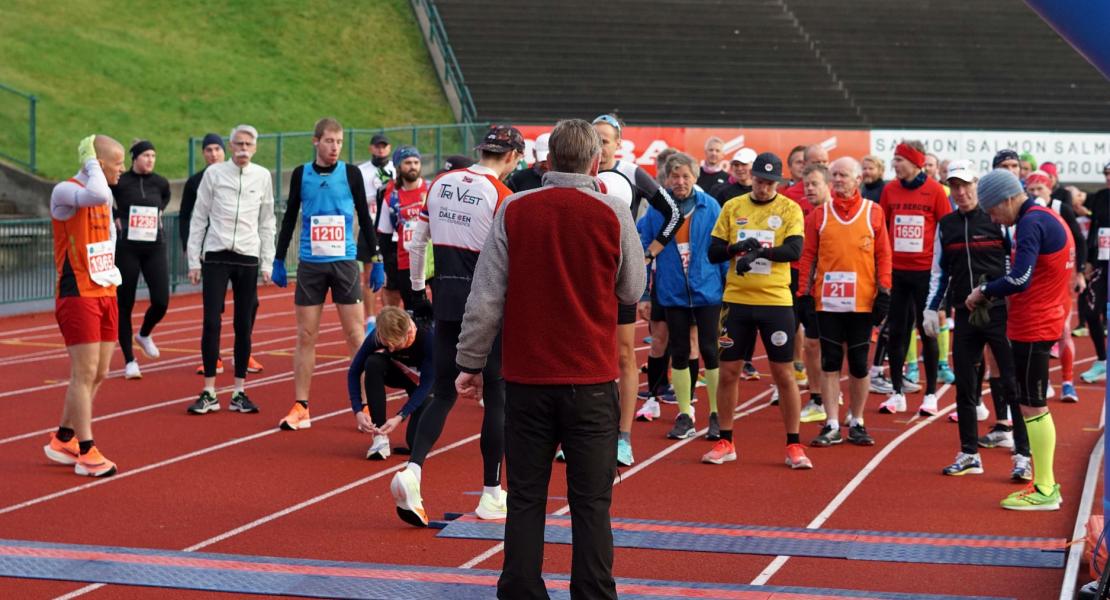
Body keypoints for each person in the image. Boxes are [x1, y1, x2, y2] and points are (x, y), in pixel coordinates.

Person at [454, 118, 645, 599]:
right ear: (595, 161)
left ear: (547, 160)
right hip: (591, 381)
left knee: (525, 497)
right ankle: (594, 593)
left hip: (527, 380)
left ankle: (520, 590)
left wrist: (471, 362)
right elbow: (633, 288)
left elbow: (485, 298)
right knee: (591, 502)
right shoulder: (613, 211)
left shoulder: (516, 210)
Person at [390, 125, 522, 526]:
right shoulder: (503, 196)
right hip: (487, 304)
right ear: (513, 158)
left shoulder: (440, 183)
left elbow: (417, 243)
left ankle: (412, 470)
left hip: (444, 299)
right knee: (497, 396)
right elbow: (508, 259)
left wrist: (415, 293)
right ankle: (492, 493)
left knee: (443, 391)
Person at [966, 169, 1073, 510]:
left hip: (1036, 322)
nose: (994, 218)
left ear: (1008, 198)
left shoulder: (1031, 222)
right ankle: (1043, 483)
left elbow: (1021, 278)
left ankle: (1044, 488)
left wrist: (984, 291)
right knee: (1031, 402)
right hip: (1039, 318)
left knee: (1033, 403)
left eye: (994, 210)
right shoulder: (1040, 218)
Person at [703, 152, 811, 469]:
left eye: (769, 182)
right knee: (729, 372)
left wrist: (760, 251)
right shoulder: (733, 207)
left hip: (776, 303)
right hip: (735, 303)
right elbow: (712, 252)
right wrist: (735, 249)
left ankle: (794, 445)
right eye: (759, 181)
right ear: (751, 178)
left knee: (783, 374)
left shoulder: (789, 209)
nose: (763, 187)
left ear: (777, 181)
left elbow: (794, 250)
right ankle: (726, 439)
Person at [272, 117, 378, 431]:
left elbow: (364, 215)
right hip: (310, 264)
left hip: (344, 262)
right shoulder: (300, 174)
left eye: (339, 142)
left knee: (355, 335)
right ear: (316, 141)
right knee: (305, 336)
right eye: (329, 141)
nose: (334, 148)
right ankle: (301, 406)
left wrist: (376, 258)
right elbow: (290, 216)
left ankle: (365, 406)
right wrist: (279, 258)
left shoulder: (351, 173)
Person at [924, 161, 1026, 479]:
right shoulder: (946, 225)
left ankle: (1023, 454)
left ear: (977, 185)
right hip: (964, 315)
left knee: (1013, 383)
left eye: (967, 185)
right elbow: (939, 273)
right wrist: (931, 307)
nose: (962, 192)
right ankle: (969, 453)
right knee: (965, 386)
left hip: (999, 313)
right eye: (955, 186)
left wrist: (1008, 302)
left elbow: (1016, 265)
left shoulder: (999, 220)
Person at [592, 113, 682, 467]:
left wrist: (649, 253)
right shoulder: (579, 171)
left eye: (605, 139)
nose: (599, 145)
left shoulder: (630, 173)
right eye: (594, 138)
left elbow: (673, 212)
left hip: (619, 276)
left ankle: (623, 438)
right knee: (586, 356)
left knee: (624, 356)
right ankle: (583, 434)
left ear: (617, 144)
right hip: (584, 277)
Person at [44, 134, 126, 477]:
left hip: (105, 290)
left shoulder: (105, 195)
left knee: (102, 372)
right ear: (99, 163)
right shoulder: (65, 191)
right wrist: (91, 161)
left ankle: (63, 437)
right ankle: (86, 451)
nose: (122, 170)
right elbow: (96, 193)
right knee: (84, 372)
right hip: (77, 293)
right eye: (117, 163)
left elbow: (107, 232)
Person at [797, 157, 892, 448]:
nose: (838, 180)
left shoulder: (873, 213)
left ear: (857, 179)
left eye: (843, 175)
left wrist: (884, 292)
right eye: (834, 175)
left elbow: (884, 256)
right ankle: (831, 423)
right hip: (828, 303)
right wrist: (803, 294)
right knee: (830, 362)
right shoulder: (819, 215)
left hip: (862, 302)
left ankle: (858, 420)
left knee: (860, 364)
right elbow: (808, 257)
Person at [186, 124, 275, 415]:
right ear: (230, 144)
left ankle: (239, 390)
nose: (243, 149)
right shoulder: (214, 174)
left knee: (243, 325)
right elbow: (198, 216)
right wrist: (193, 260)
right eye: (238, 143)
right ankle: (209, 390)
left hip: (248, 257)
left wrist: (267, 261)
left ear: (256, 147)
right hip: (215, 255)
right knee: (211, 321)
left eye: (248, 144)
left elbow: (267, 220)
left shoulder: (262, 176)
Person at [640, 152, 725, 440]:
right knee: (678, 352)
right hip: (672, 292)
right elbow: (644, 250)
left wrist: (727, 289)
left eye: (686, 176)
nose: (680, 181)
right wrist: (643, 294)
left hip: (707, 291)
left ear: (695, 178)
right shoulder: (656, 211)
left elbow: (722, 249)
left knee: (710, 351)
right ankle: (685, 414)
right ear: (666, 179)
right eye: (675, 176)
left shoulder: (710, 207)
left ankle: (716, 413)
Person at [877, 141, 951, 416]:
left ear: (915, 162)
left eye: (899, 160)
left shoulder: (934, 190)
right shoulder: (889, 190)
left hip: (925, 273)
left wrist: (945, 270)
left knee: (927, 330)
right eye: (894, 159)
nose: (894, 164)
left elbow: (946, 229)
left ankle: (931, 393)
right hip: (897, 271)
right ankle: (897, 392)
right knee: (896, 332)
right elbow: (882, 228)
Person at [181, 134, 264, 376]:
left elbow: (263, 217)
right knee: (213, 312)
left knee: (250, 305)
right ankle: (213, 357)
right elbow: (190, 216)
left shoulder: (254, 176)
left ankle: (243, 353)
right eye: (209, 149)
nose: (213, 153)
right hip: (214, 251)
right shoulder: (198, 181)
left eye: (217, 149)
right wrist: (190, 249)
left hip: (244, 251)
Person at [110, 140, 171, 380]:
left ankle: (144, 334)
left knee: (161, 300)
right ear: (134, 158)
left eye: (153, 156)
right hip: (128, 248)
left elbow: (165, 198)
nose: (150, 160)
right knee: (124, 304)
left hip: (155, 246)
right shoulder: (121, 182)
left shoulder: (160, 182)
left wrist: (159, 213)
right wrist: (115, 216)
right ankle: (129, 360)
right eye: (145, 155)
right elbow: (104, 198)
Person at [1025, 170, 1086, 402]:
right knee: (1039, 333)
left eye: (1039, 189)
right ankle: (1045, 381)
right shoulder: (1026, 212)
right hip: (1038, 281)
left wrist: (1079, 272)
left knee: (1063, 330)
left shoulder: (1062, 208)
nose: (1035, 194)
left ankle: (1068, 383)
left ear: (1050, 189)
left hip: (1062, 279)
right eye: (1030, 190)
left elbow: (1079, 241)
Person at [349, 306, 432, 461]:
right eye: (386, 344)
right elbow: (354, 371)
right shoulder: (377, 336)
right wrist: (358, 410)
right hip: (400, 373)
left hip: (425, 383)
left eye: (395, 344)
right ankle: (379, 436)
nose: (391, 348)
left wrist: (401, 415)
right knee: (373, 363)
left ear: (406, 333)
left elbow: (426, 385)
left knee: (415, 444)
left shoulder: (427, 338)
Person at [796, 164, 834, 424]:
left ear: (827, 185)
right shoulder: (803, 213)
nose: (809, 188)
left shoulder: (840, 213)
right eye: (806, 184)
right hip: (807, 286)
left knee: (835, 346)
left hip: (836, 288)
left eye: (814, 184)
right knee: (811, 345)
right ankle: (817, 398)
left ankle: (837, 399)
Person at [377, 145, 430, 310]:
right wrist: (386, 266)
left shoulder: (432, 189)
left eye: (416, 162)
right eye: (407, 162)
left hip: (434, 262)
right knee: (413, 311)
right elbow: (384, 236)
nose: (413, 166)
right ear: (398, 167)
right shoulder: (391, 199)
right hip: (407, 263)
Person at [1080, 161, 1110, 384]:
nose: (1109, 178)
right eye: (1107, 174)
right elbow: (1093, 228)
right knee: (1091, 311)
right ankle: (1102, 360)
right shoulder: (1099, 196)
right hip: (1100, 261)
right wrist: (1088, 261)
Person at [357, 133, 393, 318]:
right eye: (377, 146)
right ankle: (370, 319)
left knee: (392, 277)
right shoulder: (361, 171)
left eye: (384, 146)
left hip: (393, 228)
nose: (381, 149)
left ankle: (390, 318)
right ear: (371, 148)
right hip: (369, 227)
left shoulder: (396, 169)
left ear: (389, 148)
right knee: (369, 274)